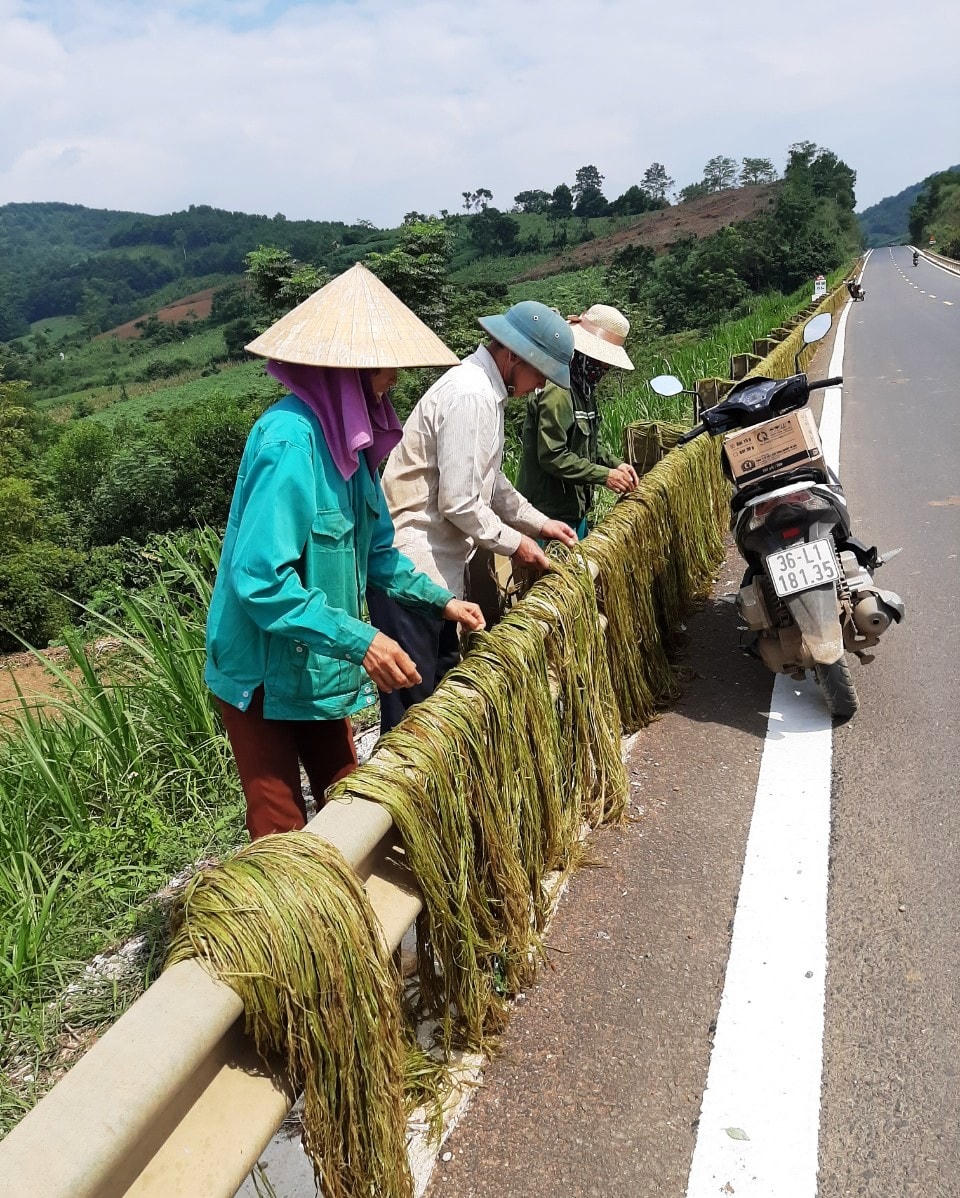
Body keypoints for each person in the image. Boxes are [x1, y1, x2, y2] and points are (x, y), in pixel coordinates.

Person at [205, 263, 485, 839]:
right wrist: (364, 641)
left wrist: (441, 602)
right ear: (350, 371)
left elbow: (377, 553)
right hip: (261, 672)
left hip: (318, 664)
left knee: (348, 799)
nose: (395, 380)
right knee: (281, 828)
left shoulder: (352, 447)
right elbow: (260, 580)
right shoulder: (290, 442)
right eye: (386, 367)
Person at [368, 300, 578, 733]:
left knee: (441, 696)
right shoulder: (471, 394)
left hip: (437, 572)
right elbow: (460, 502)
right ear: (514, 356)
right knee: (415, 714)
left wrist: (538, 523)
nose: (540, 385)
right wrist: (517, 544)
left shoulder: (485, 391)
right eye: (540, 372)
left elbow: (490, 481)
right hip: (412, 570)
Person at [517, 303, 641, 538]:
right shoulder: (557, 390)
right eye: (600, 360)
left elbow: (590, 445)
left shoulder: (584, 390)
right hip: (546, 516)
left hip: (575, 511)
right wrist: (604, 476)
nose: (604, 367)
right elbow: (553, 456)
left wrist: (615, 465)